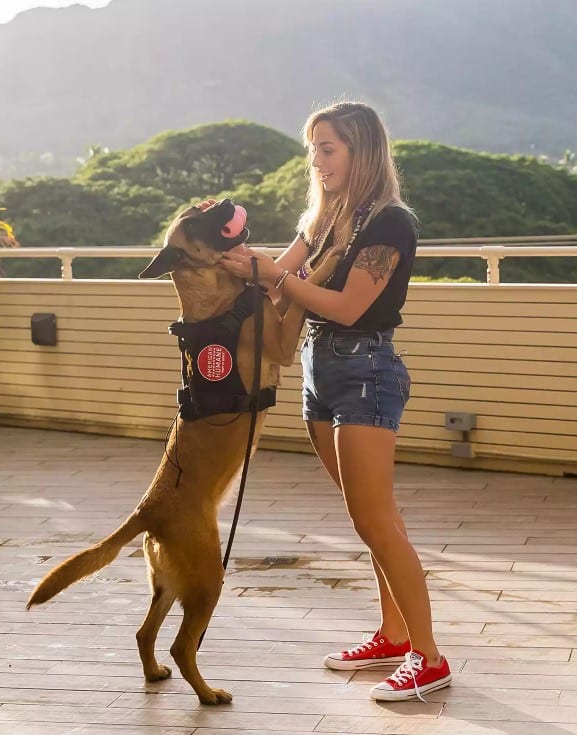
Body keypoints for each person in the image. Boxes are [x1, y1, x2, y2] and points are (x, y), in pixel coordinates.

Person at [219, 101, 450, 702]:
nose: (317, 161)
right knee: (371, 520)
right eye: (313, 149)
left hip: (367, 370)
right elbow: (277, 272)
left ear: (361, 152)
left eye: (329, 149)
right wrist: (232, 262)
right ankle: (394, 636)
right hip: (321, 371)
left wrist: (271, 275)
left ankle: (429, 657)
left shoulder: (390, 223)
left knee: (376, 520)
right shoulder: (323, 219)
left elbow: (347, 305)